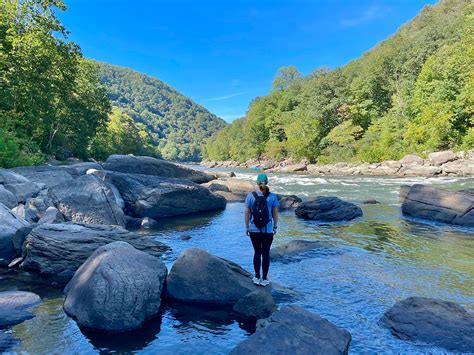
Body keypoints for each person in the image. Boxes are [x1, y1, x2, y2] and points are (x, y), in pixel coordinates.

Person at [244, 173, 279, 286]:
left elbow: (247, 213)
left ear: (257, 183)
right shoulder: (272, 196)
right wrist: (275, 227)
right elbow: (275, 214)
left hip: (254, 229)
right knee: (266, 253)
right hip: (267, 230)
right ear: (267, 182)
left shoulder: (250, 196)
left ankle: (256, 277)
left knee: (257, 252)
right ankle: (264, 278)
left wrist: (247, 227)